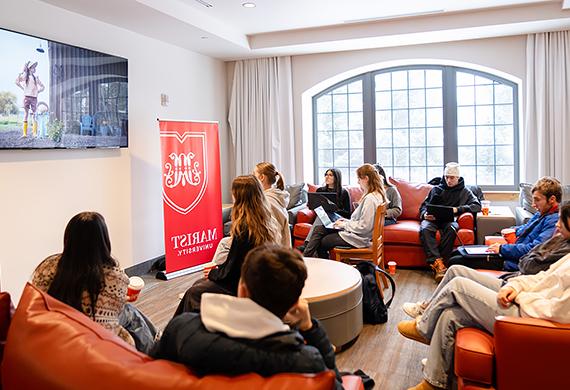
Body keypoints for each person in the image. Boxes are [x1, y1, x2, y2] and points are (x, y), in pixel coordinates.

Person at [151, 244, 343, 389]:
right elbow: (336, 385)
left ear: (241, 289)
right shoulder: (307, 360)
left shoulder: (181, 329)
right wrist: (310, 327)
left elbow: (155, 371)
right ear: (294, 304)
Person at [398, 251, 570, 390]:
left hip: (528, 319)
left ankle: (424, 328)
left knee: (458, 285)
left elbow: (555, 311)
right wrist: (515, 286)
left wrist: (520, 295)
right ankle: (434, 383)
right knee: (451, 314)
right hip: (524, 299)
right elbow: (541, 277)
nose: (557, 224)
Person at [30, 212, 158, 353]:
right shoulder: (113, 276)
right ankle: (154, 353)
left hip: (54, 329)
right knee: (130, 313)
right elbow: (109, 312)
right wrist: (123, 298)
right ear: (103, 240)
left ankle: (157, 346)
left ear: (69, 238)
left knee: (129, 312)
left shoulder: (47, 266)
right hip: (95, 338)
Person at [175, 175, 279, 314]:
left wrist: (213, 272)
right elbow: (237, 262)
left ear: (239, 196)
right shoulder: (264, 221)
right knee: (198, 285)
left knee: (194, 293)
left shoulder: (244, 227)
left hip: (243, 285)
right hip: (257, 281)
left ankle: (176, 332)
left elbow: (233, 272)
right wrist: (218, 270)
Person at [447, 176, 562, 271]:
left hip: (513, 261)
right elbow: (525, 228)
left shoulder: (554, 221)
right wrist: (513, 230)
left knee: (455, 260)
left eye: (537, 200)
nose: (533, 204)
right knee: (457, 252)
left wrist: (502, 249)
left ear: (552, 199)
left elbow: (533, 250)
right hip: (511, 252)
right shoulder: (542, 213)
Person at [303, 163, 386, 259]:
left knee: (322, 241)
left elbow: (364, 227)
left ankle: (309, 261)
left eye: (359, 179)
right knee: (319, 229)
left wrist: (344, 225)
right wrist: (345, 222)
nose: (358, 182)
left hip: (358, 238)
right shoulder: (376, 195)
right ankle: (306, 258)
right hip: (357, 234)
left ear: (366, 179)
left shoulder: (370, 199)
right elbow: (361, 222)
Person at [419, 162, 481, 282]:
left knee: (452, 228)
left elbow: (476, 205)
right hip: (432, 220)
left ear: (458, 177)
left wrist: (458, 209)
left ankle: (442, 262)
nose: (448, 180)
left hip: (449, 221)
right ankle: (438, 263)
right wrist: (425, 214)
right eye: (446, 177)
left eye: (452, 177)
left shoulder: (465, 191)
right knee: (425, 229)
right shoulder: (436, 189)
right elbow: (423, 206)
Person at [254, 162, 292, 247]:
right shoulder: (277, 196)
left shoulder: (266, 201)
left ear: (262, 177)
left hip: (272, 249)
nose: (252, 177)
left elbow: (272, 233)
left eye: (254, 174)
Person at [15, 61, 45, 137]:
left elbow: (43, 87)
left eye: (35, 67)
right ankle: (24, 134)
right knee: (26, 114)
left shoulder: (36, 78)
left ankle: (34, 133)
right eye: (33, 67)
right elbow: (17, 82)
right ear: (29, 69)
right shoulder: (25, 76)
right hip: (26, 97)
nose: (35, 69)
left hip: (34, 98)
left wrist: (38, 91)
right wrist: (23, 88)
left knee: (34, 115)